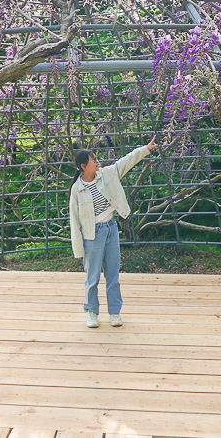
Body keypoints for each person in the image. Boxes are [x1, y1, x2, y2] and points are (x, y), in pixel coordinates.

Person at [69, 135, 158, 328]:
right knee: (92, 276)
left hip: (110, 228)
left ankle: (115, 312)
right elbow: (74, 222)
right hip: (93, 235)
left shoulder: (107, 174)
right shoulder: (77, 189)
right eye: (93, 159)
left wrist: (145, 149)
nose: (97, 161)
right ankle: (91, 312)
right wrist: (78, 249)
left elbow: (125, 162)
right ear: (84, 166)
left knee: (113, 274)